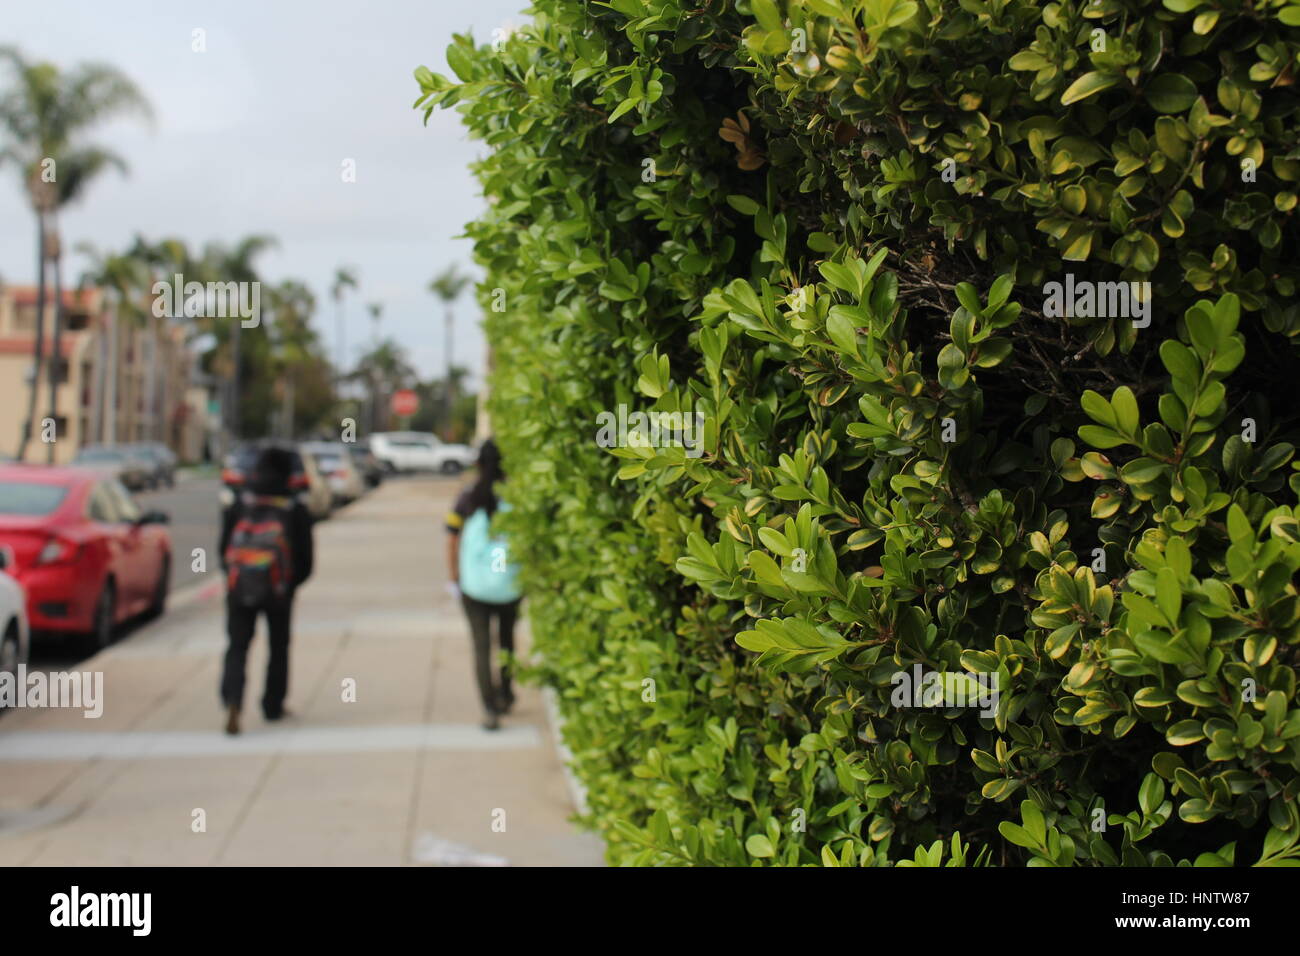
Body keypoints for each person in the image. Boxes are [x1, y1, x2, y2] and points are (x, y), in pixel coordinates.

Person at [218, 445, 314, 735]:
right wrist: (291, 582)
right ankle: (273, 705)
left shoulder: (241, 502)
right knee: (278, 647)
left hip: (240, 585)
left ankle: (233, 699)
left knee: (237, 646)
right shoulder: (294, 507)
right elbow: (306, 559)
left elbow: (223, 548)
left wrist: (233, 577)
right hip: (279, 590)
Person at [445, 439, 521, 731]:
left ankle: (489, 708)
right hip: (509, 583)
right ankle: (506, 693)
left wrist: (454, 577)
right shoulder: (514, 496)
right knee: (506, 641)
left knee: (480, 647)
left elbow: (451, 537)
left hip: (474, 584)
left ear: (478, 464)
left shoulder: (467, 497)